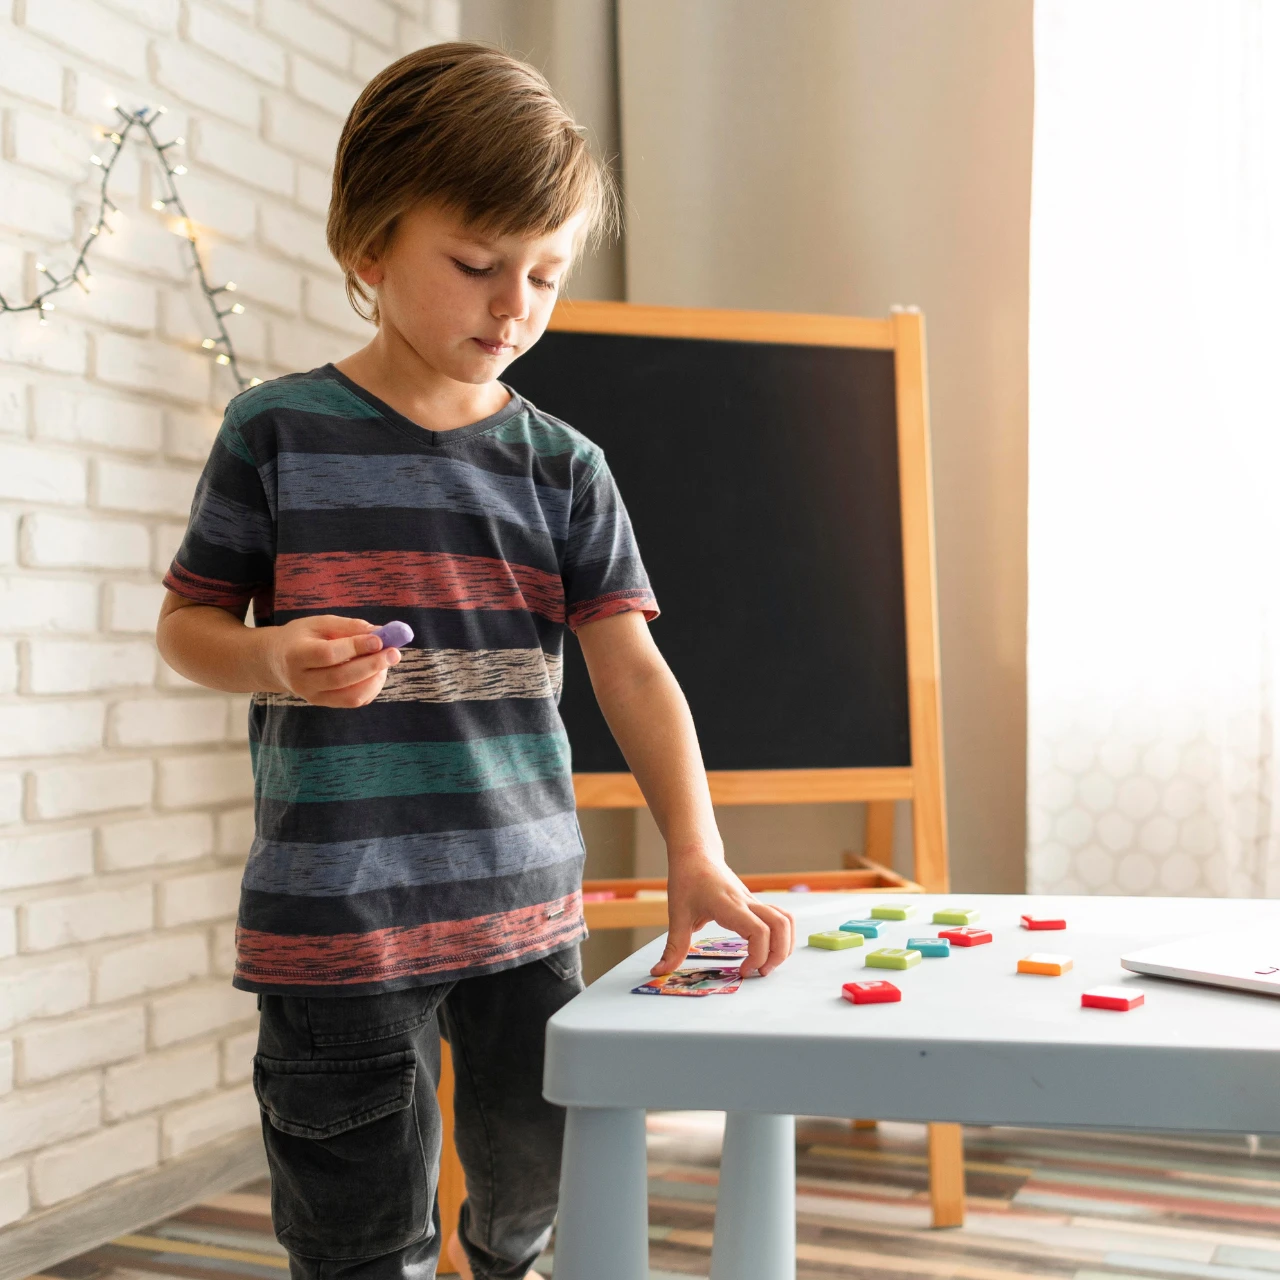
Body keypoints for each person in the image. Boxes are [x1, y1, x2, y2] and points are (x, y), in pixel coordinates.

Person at [155, 42, 794, 1280]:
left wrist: (697, 848)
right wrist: (276, 657)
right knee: (353, 1240)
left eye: (544, 277)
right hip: (337, 921)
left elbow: (631, 670)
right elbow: (188, 630)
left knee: (528, 1203)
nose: (512, 308)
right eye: (477, 265)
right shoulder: (274, 432)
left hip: (523, 909)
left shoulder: (564, 464)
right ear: (369, 245)